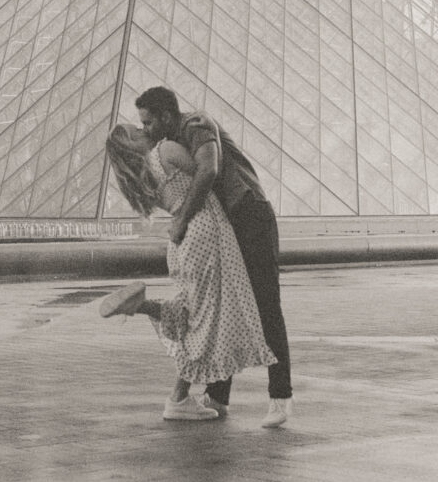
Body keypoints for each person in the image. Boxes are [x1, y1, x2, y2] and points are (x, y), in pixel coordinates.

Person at [135, 86, 294, 428]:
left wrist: (181, 220)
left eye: (148, 122)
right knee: (224, 308)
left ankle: (281, 398)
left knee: (266, 305)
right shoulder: (171, 143)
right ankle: (218, 398)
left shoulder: (196, 124)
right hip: (230, 223)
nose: (145, 130)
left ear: (165, 116)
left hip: (249, 215)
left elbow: (208, 169)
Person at [101, 124, 276, 422]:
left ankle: (143, 306)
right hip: (205, 231)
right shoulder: (165, 151)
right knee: (204, 320)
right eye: (137, 128)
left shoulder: (143, 177)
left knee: (192, 311)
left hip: (181, 241)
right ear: (131, 140)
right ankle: (177, 398)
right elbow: (209, 172)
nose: (146, 128)